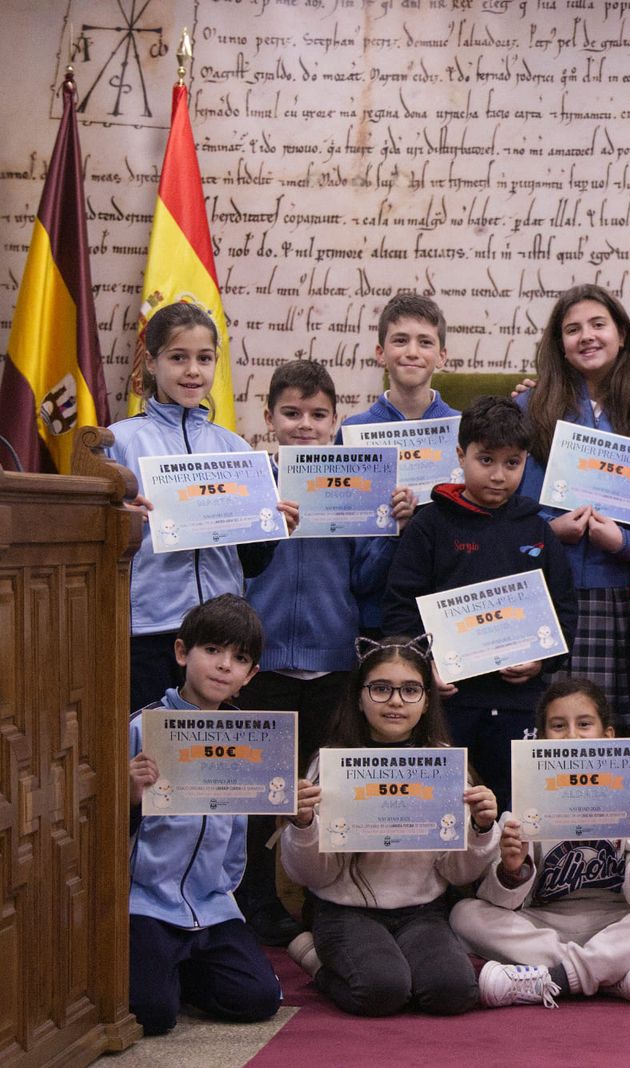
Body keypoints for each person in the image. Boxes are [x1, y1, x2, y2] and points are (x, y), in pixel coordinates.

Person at [236, 359, 411, 946]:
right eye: (291, 414)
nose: (304, 425)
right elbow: (232, 569)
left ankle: (326, 903)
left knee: (326, 790)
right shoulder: (252, 478)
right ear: (268, 419)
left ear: (337, 421)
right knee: (260, 795)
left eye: (317, 415)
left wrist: (390, 528)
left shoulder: (356, 481)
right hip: (260, 665)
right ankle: (254, 902)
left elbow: (366, 581)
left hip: (334, 661)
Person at [279, 636, 500, 1016]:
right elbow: (311, 875)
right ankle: (313, 957)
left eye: (410, 690)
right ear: (359, 697)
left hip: (423, 911)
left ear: (427, 699)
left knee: (454, 992)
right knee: (381, 991)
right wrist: (303, 825)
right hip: (344, 911)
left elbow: (455, 870)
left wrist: (481, 830)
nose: (396, 701)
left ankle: (396, 962)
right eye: (381, 689)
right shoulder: (332, 763)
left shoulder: (445, 764)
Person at [451, 678, 630, 1007]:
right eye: (558, 726)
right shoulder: (523, 807)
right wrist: (512, 870)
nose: (571, 736)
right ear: (540, 738)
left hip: (616, 923)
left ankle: (557, 979)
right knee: (464, 914)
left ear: (607, 735)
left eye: (584, 724)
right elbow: (501, 902)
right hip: (545, 926)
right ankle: (610, 974)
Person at [383, 396, 578, 809]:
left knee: (514, 813)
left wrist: (541, 661)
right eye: (485, 460)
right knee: (444, 810)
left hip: (519, 706)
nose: (498, 475)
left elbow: (564, 614)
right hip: (447, 703)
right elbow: (401, 608)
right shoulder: (429, 526)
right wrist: (423, 666)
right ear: (460, 454)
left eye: (512, 463)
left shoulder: (538, 531)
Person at [110, 302, 297, 709]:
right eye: (179, 357)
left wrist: (273, 530)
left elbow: (250, 564)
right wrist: (120, 521)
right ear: (152, 362)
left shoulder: (234, 448)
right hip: (149, 630)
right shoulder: (120, 441)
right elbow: (93, 544)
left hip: (219, 635)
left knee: (207, 758)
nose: (193, 370)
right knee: (150, 754)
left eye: (204, 358)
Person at [517, 285, 630, 732]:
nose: (587, 336)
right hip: (545, 588)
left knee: (603, 726)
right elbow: (513, 510)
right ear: (559, 346)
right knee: (545, 725)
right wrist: (551, 531)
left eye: (598, 324)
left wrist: (622, 542)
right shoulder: (529, 406)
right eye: (572, 329)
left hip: (612, 594)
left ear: (621, 334)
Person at [127, 594, 283, 1035]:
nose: (222, 666)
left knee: (259, 999)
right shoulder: (142, 728)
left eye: (238, 658)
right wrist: (130, 795)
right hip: (145, 902)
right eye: (211, 650)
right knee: (151, 1014)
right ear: (182, 653)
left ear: (250, 676)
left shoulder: (253, 739)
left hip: (213, 906)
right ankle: (162, 971)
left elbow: (238, 836)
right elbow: (98, 823)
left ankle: (184, 970)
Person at [340, 293, 460, 635]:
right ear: (381, 353)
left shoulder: (463, 429)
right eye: (400, 340)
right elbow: (349, 534)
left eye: (425, 342)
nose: (412, 352)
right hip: (374, 607)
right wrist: (394, 526)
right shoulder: (354, 432)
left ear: (442, 356)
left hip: (447, 606)